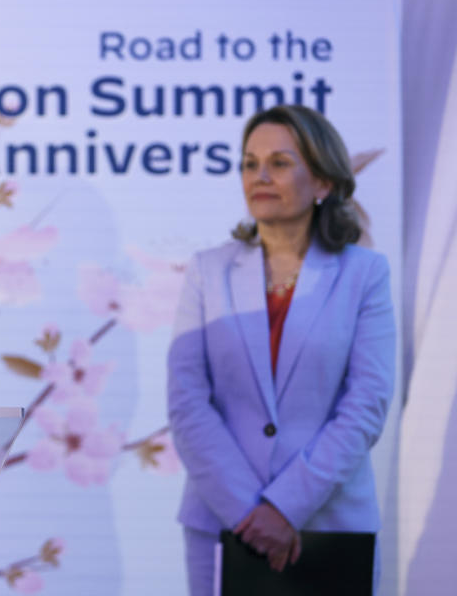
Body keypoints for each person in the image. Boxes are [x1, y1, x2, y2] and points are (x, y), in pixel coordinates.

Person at [167, 105, 395, 595]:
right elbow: (186, 403)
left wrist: (287, 505)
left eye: (279, 162)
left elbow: (367, 404)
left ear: (324, 183)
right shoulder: (207, 270)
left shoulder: (365, 274)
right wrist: (251, 513)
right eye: (250, 163)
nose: (260, 175)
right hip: (222, 524)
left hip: (330, 527)